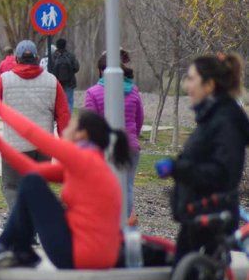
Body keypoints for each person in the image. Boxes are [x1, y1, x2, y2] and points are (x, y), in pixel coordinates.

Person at [0, 98, 127, 277]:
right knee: (32, 182)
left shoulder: (83, 158)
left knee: (32, 183)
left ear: (82, 134)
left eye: (71, 125)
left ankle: (6, 247)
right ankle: (19, 250)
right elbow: (32, 170)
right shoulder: (92, 164)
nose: (65, 129)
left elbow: (34, 135)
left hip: (77, 256)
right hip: (99, 258)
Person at [154, 54, 249, 263]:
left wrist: (177, 168)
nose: (186, 86)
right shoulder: (211, 117)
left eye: (191, 79)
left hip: (212, 221)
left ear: (209, 85)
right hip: (198, 219)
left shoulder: (226, 120)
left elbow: (223, 174)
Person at [0, 40, 70, 209]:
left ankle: (22, 220)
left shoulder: (5, 80)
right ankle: (38, 219)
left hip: (15, 146)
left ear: (17, 59)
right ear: (37, 58)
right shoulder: (52, 81)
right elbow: (63, 114)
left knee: (11, 186)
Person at [84, 49, 143, 220]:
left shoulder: (93, 93)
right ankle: (123, 223)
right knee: (127, 187)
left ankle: (107, 222)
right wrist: (132, 136)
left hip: (104, 147)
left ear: (101, 70)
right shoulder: (133, 90)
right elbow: (139, 118)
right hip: (130, 146)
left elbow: (90, 124)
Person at [50, 38, 80, 111]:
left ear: (57, 46)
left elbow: (50, 70)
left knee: (58, 102)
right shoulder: (71, 56)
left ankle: (59, 116)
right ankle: (68, 116)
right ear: (65, 45)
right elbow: (76, 68)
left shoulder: (53, 56)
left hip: (56, 83)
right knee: (69, 101)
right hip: (69, 83)